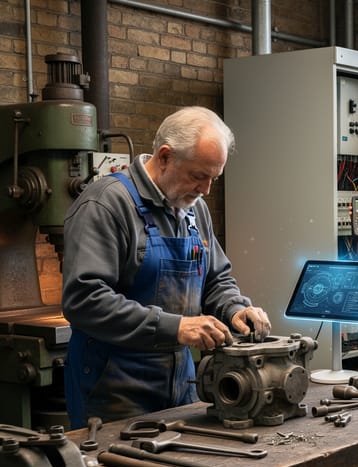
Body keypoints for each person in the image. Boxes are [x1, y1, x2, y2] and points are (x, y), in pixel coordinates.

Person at [62, 106, 271, 430]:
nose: (206, 190)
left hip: (182, 388)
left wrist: (233, 309)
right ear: (164, 157)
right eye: (199, 176)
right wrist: (176, 327)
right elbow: (84, 299)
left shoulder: (193, 208)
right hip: (114, 395)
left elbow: (216, 278)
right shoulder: (106, 204)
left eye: (214, 178)